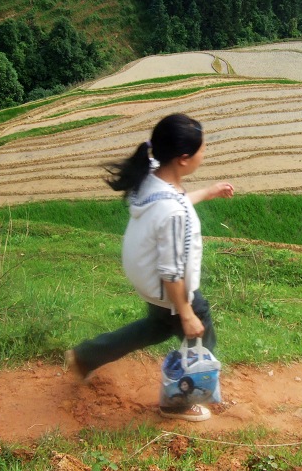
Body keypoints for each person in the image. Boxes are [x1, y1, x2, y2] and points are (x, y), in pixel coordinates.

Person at [65, 113, 234, 422]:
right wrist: (186, 313)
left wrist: (208, 192)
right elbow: (172, 271)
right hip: (171, 290)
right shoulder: (173, 212)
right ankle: (178, 401)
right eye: (202, 149)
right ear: (183, 159)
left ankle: (84, 357)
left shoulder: (152, 175)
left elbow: (176, 200)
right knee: (200, 332)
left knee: (154, 327)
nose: (204, 154)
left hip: (149, 283)